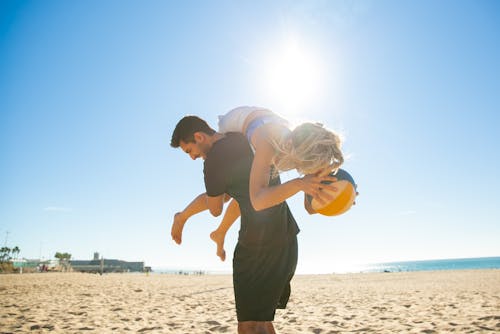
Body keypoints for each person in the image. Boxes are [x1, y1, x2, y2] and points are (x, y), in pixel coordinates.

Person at [170, 115, 300, 333]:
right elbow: (242, 197)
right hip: (286, 235)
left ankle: (181, 216)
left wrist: (183, 217)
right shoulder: (243, 137)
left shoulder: (213, 160)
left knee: (249, 326)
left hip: (257, 247)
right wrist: (221, 232)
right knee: (263, 322)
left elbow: (215, 207)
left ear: (199, 136)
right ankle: (205, 228)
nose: (193, 158)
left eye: (189, 151)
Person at [172, 106, 344, 260]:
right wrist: (299, 184)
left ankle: (220, 232)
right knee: (228, 194)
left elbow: (310, 208)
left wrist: (343, 198)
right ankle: (184, 217)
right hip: (236, 123)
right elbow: (258, 200)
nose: (192, 156)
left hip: (263, 122)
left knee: (243, 187)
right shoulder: (267, 144)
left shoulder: (302, 147)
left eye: (189, 151)